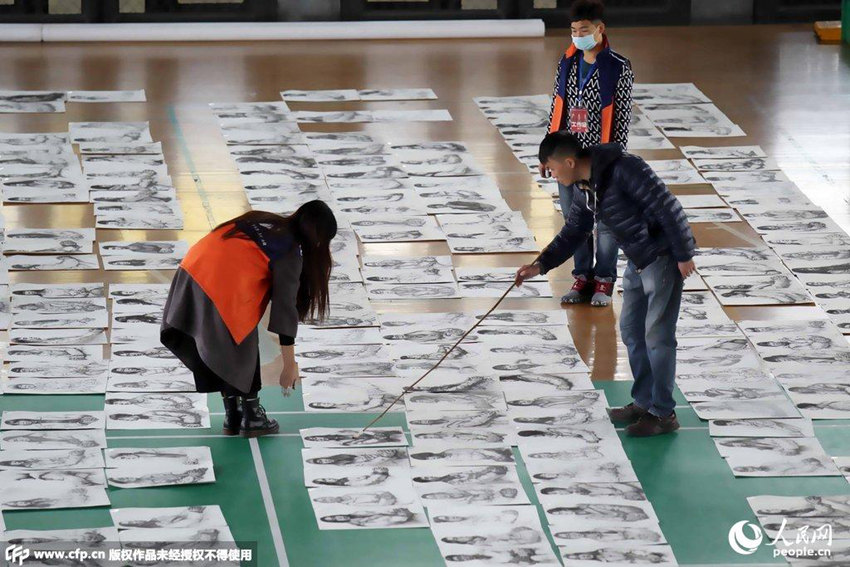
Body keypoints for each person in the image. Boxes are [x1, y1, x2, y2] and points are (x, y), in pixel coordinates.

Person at [516, 132, 696, 436]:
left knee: (658, 337)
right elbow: (574, 230)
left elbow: (668, 207)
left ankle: (663, 413)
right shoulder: (587, 186)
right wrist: (540, 265)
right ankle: (644, 402)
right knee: (631, 331)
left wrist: (683, 253)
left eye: (553, 169)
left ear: (570, 162)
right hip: (638, 260)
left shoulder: (626, 169)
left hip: (662, 257)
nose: (553, 176)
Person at [161, 200, 337, 438]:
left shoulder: (263, 220)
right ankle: (252, 417)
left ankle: (232, 413)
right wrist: (289, 366)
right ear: (318, 240)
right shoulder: (288, 252)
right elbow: (285, 309)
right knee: (240, 337)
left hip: (190, 274)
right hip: (218, 287)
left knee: (222, 343)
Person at [541, 0, 634, 307]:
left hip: (601, 158)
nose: (577, 35)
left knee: (605, 221)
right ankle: (582, 277)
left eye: (583, 29)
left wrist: (612, 159)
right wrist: (549, 154)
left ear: (599, 29)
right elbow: (556, 109)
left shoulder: (618, 68)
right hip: (569, 159)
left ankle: (604, 280)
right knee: (573, 220)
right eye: (573, 30)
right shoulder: (567, 63)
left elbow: (621, 117)